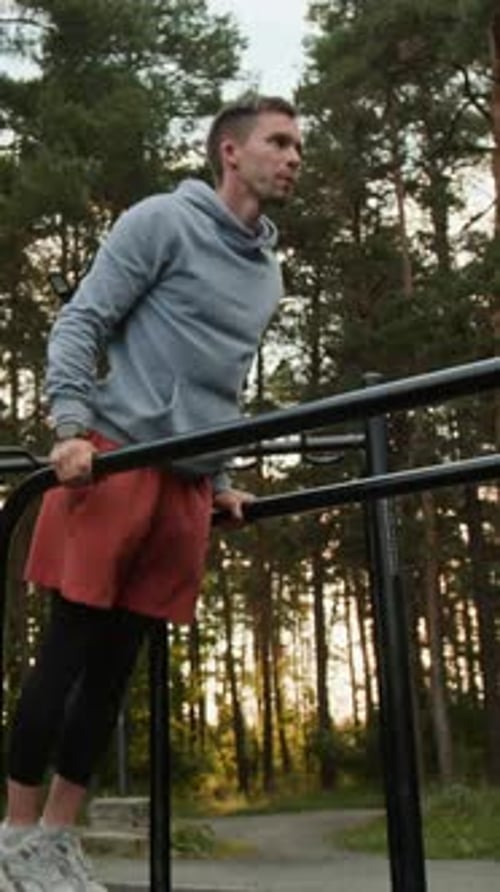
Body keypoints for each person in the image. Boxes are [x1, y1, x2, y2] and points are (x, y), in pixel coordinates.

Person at [0, 92, 302, 891]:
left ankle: (55, 843)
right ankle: (12, 840)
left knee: (114, 675)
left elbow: (224, 384)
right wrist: (69, 424)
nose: (294, 157)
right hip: (116, 460)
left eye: (296, 145)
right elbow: (80, 322)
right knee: (65, 657)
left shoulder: (266, 272)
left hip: (188, 483)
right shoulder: (159, 223)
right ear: (230, 152)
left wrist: (226, 477)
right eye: (279, 142)